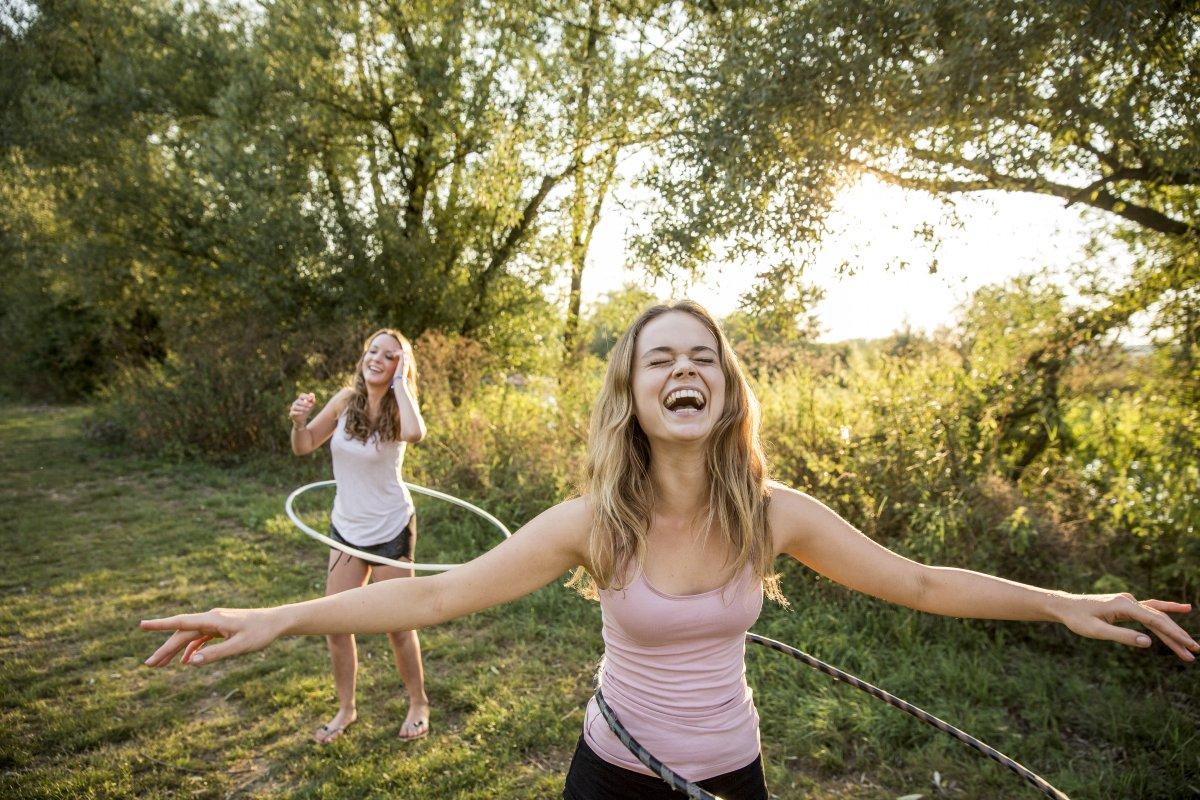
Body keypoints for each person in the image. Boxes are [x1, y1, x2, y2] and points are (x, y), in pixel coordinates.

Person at [143, 302, 1196, 798]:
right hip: (610, 776)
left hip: (734, 776)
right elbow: (435, 597)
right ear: (635, 393)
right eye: (662, 359)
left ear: (726, 390)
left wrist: (1057, 598)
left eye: (705, 357)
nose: (685, 369)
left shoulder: (776, 513)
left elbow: (920, 580)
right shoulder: (591, 521)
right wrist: (277, 616)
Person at [287, 328, 430, 744]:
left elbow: (416, 433)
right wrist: (298, 423)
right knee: (335, 624)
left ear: (400, 366)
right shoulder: (345, 401)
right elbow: (305, 444)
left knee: (399, 626)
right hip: (346, 528)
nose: (377, 359)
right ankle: (346, 709)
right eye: (373, 351)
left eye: (389, 356)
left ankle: (418, 701)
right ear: (362, 356)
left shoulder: (399, 404)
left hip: (390, 528)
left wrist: (402, 383)